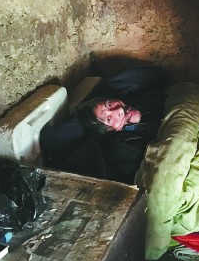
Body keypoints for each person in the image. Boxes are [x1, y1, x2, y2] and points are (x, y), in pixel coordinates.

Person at [40, 66, 168, 184]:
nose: (118, 110)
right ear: (110, 130)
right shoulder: (123, 151)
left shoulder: (145, 100)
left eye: (110, 104)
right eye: (108, 118)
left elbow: (156, 75)